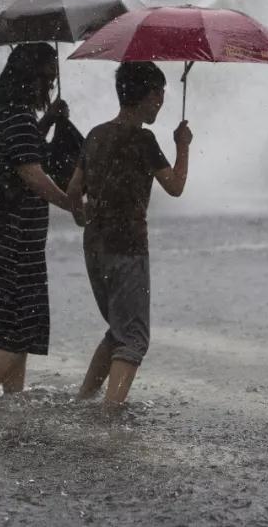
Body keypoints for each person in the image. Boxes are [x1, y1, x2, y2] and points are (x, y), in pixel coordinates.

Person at [65, 61, 193, 412]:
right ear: (150, 96)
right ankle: (110, 413)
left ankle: (83, 399)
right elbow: (176, 186)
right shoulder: (143, 139)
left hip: (94, 246)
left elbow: (74, 189)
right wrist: (182, 145)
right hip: (129, 247)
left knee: (117, 328)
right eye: (160, 95)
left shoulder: (95, 134)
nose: (162, 102)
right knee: (134, 338)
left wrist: (81, 218)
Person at [0, 42, 74, 401]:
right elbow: (29, 172)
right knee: (14, 329)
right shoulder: (17, 115)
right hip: (11, 239)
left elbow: (11, 154)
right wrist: (70, 203)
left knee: (19, 325)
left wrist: (46, 122)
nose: (52, 85)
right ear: (35, 78)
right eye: (50, 78)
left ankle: (13, 400)